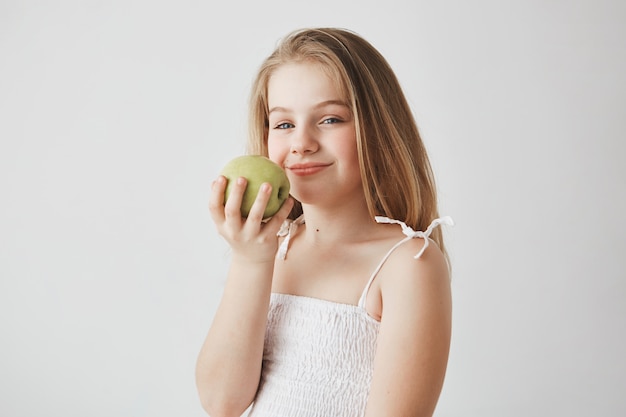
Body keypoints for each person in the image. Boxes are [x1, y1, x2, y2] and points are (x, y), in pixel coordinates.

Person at [195, 27, 453, 417]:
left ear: (377, 127)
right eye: (283, 125)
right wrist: (249, 261)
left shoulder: (408, 264)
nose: (301, 142)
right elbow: (222, 402)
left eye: (330, 119)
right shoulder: (271, 251)